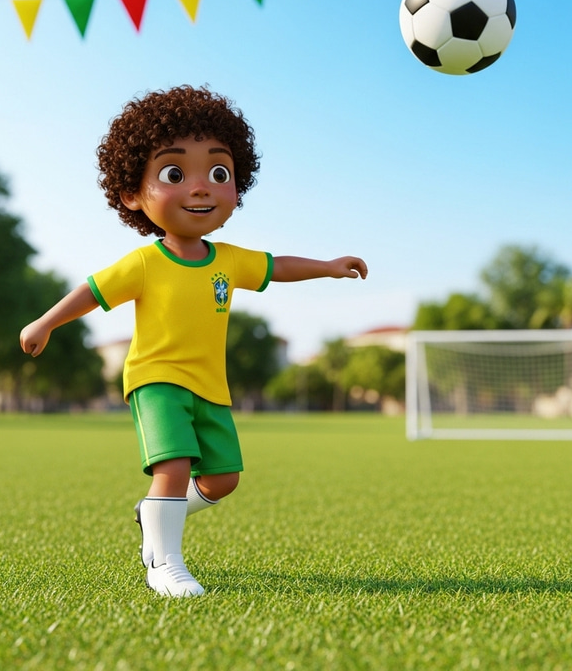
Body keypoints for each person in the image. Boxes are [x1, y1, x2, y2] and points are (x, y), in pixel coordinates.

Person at [19, 85, 367, 598]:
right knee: (174, 466)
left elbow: (277, 266)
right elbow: (91, 292)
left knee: (222, 480)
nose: (201, 188)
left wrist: (328, 268)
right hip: (157, 381)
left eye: (218, 173)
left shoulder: (226, 258)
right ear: (133, 194)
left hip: (211, 387)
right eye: (175, 174)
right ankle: (164, 562)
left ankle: (154, 514)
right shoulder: (144, 263)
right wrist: (44, 323)